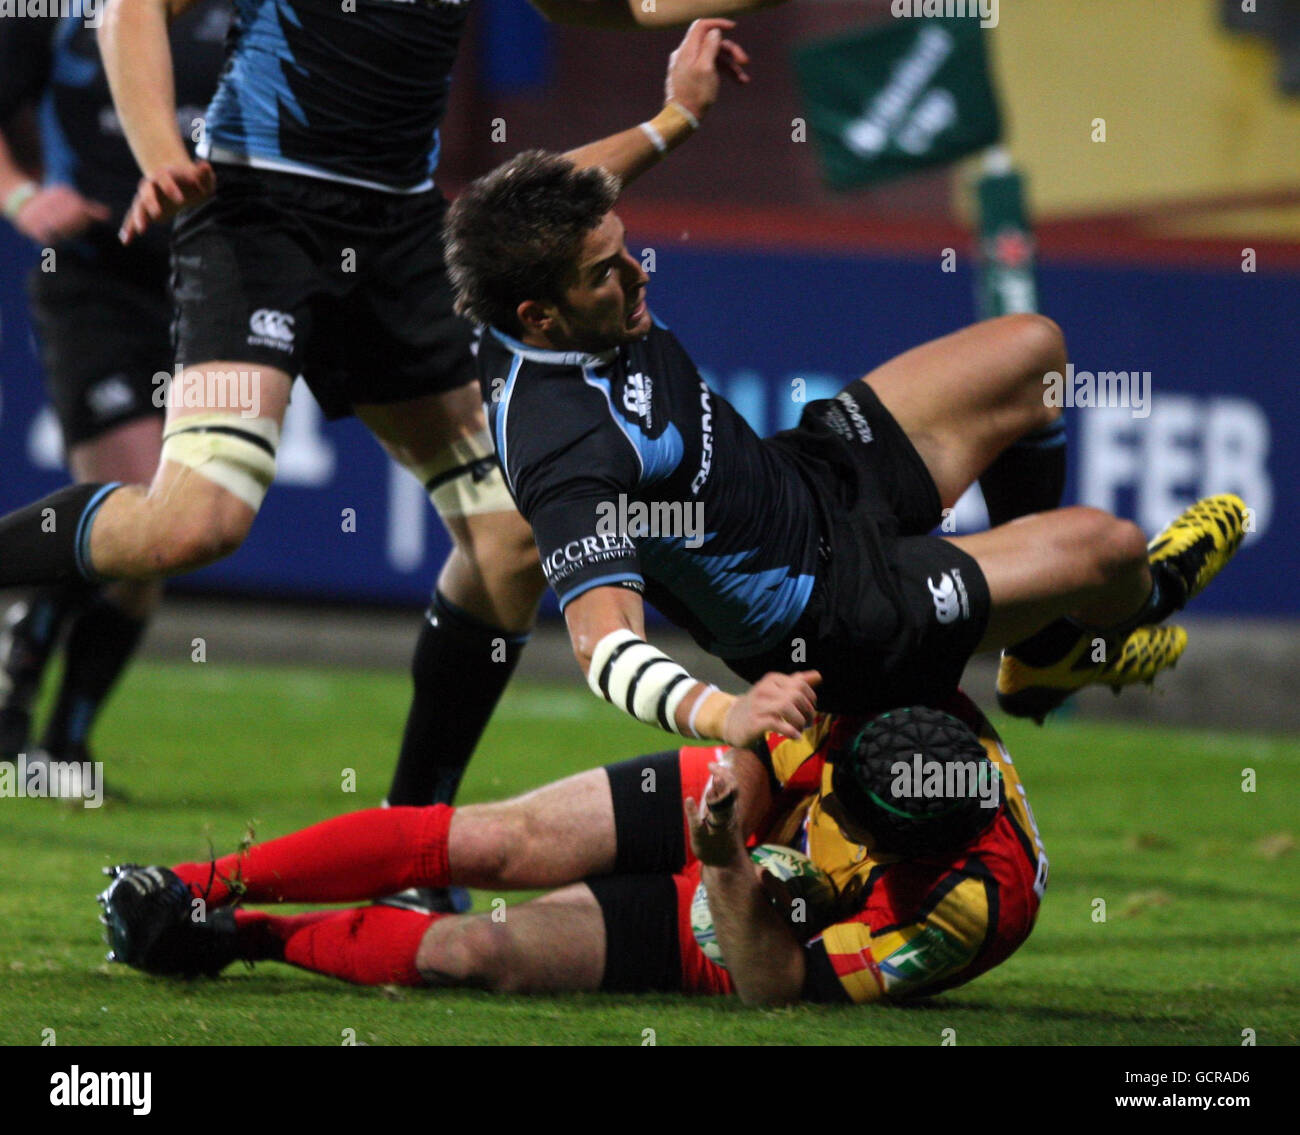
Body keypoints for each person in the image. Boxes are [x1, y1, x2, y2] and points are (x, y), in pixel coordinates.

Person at [0, 10, 763, 889]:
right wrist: (156, 151)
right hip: (253, 210)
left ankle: (411, 849)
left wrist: (682, 106)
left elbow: (629, 7)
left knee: (512, 536)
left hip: (398, 235)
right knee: (192, 526)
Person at [444, 148, 1248, 740]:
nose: (637, 271)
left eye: (624, 246)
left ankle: (1038, 648)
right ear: (538, 317)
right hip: (833, 612)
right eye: (604, 272)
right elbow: (605, 648)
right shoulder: (566, 450)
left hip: (808, 473)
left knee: (1034, 352)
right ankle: (1132, 611)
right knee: (1111, 547)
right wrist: (726, 712)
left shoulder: (529, 266)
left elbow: (567, 196)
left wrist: (678, 115)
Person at [98, 695, 1046, 1005]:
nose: (832, 821)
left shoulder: (968, 912)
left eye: (855, 826)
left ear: (903, 848)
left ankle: (241, 936)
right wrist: (742, 796)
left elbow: (773, 984)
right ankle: (187, 884)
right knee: (493, 842)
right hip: (749, 798)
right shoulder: (915, 712)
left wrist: (724, 863)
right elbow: (774, 725)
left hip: (747, 927)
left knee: (483, 950)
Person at [0, 0, 230, 784]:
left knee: (156, 542)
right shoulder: (51, 12)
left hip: (200, 283)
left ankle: (63, 741)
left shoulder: (258, 14)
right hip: (93, 276)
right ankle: (22, 688)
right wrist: (21, 197)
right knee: (137, 491)